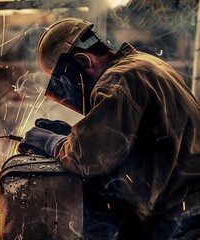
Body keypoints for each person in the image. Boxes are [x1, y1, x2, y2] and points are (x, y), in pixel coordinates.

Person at [17, 17, 200, 239]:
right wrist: (70, 133)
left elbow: (86, 158)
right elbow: (128, 136)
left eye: (65, 80)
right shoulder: (143, 64)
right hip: (188, 203)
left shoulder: (118, 80)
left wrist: (50, 143)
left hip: (181, 219)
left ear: (83, 61)